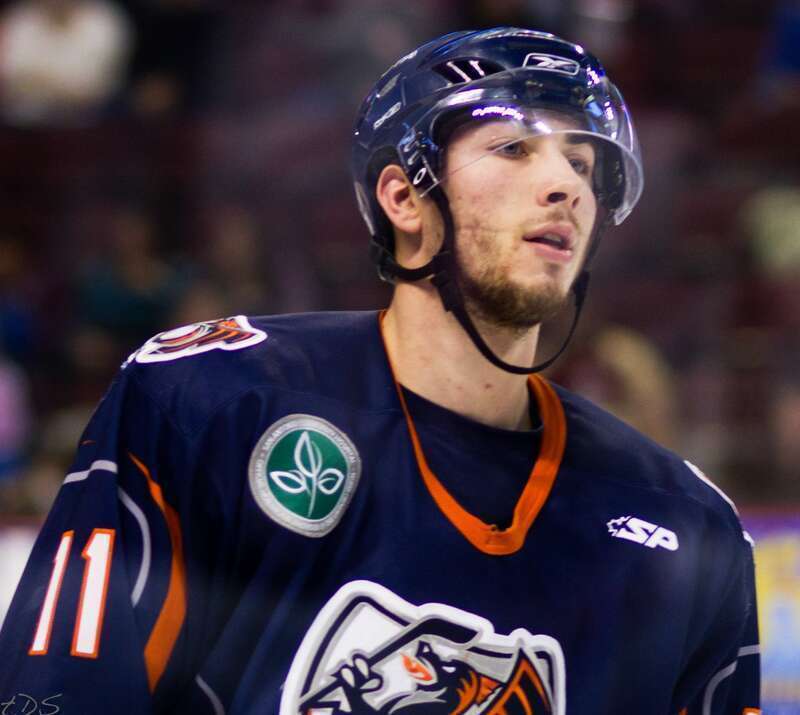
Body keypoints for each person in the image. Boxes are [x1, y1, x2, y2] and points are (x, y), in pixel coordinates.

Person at [0, 28, 759, 714]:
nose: (566, 184)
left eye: (583, 162)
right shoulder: (208, 404)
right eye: (514, 148)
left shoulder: (688, 527)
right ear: (402, 196)